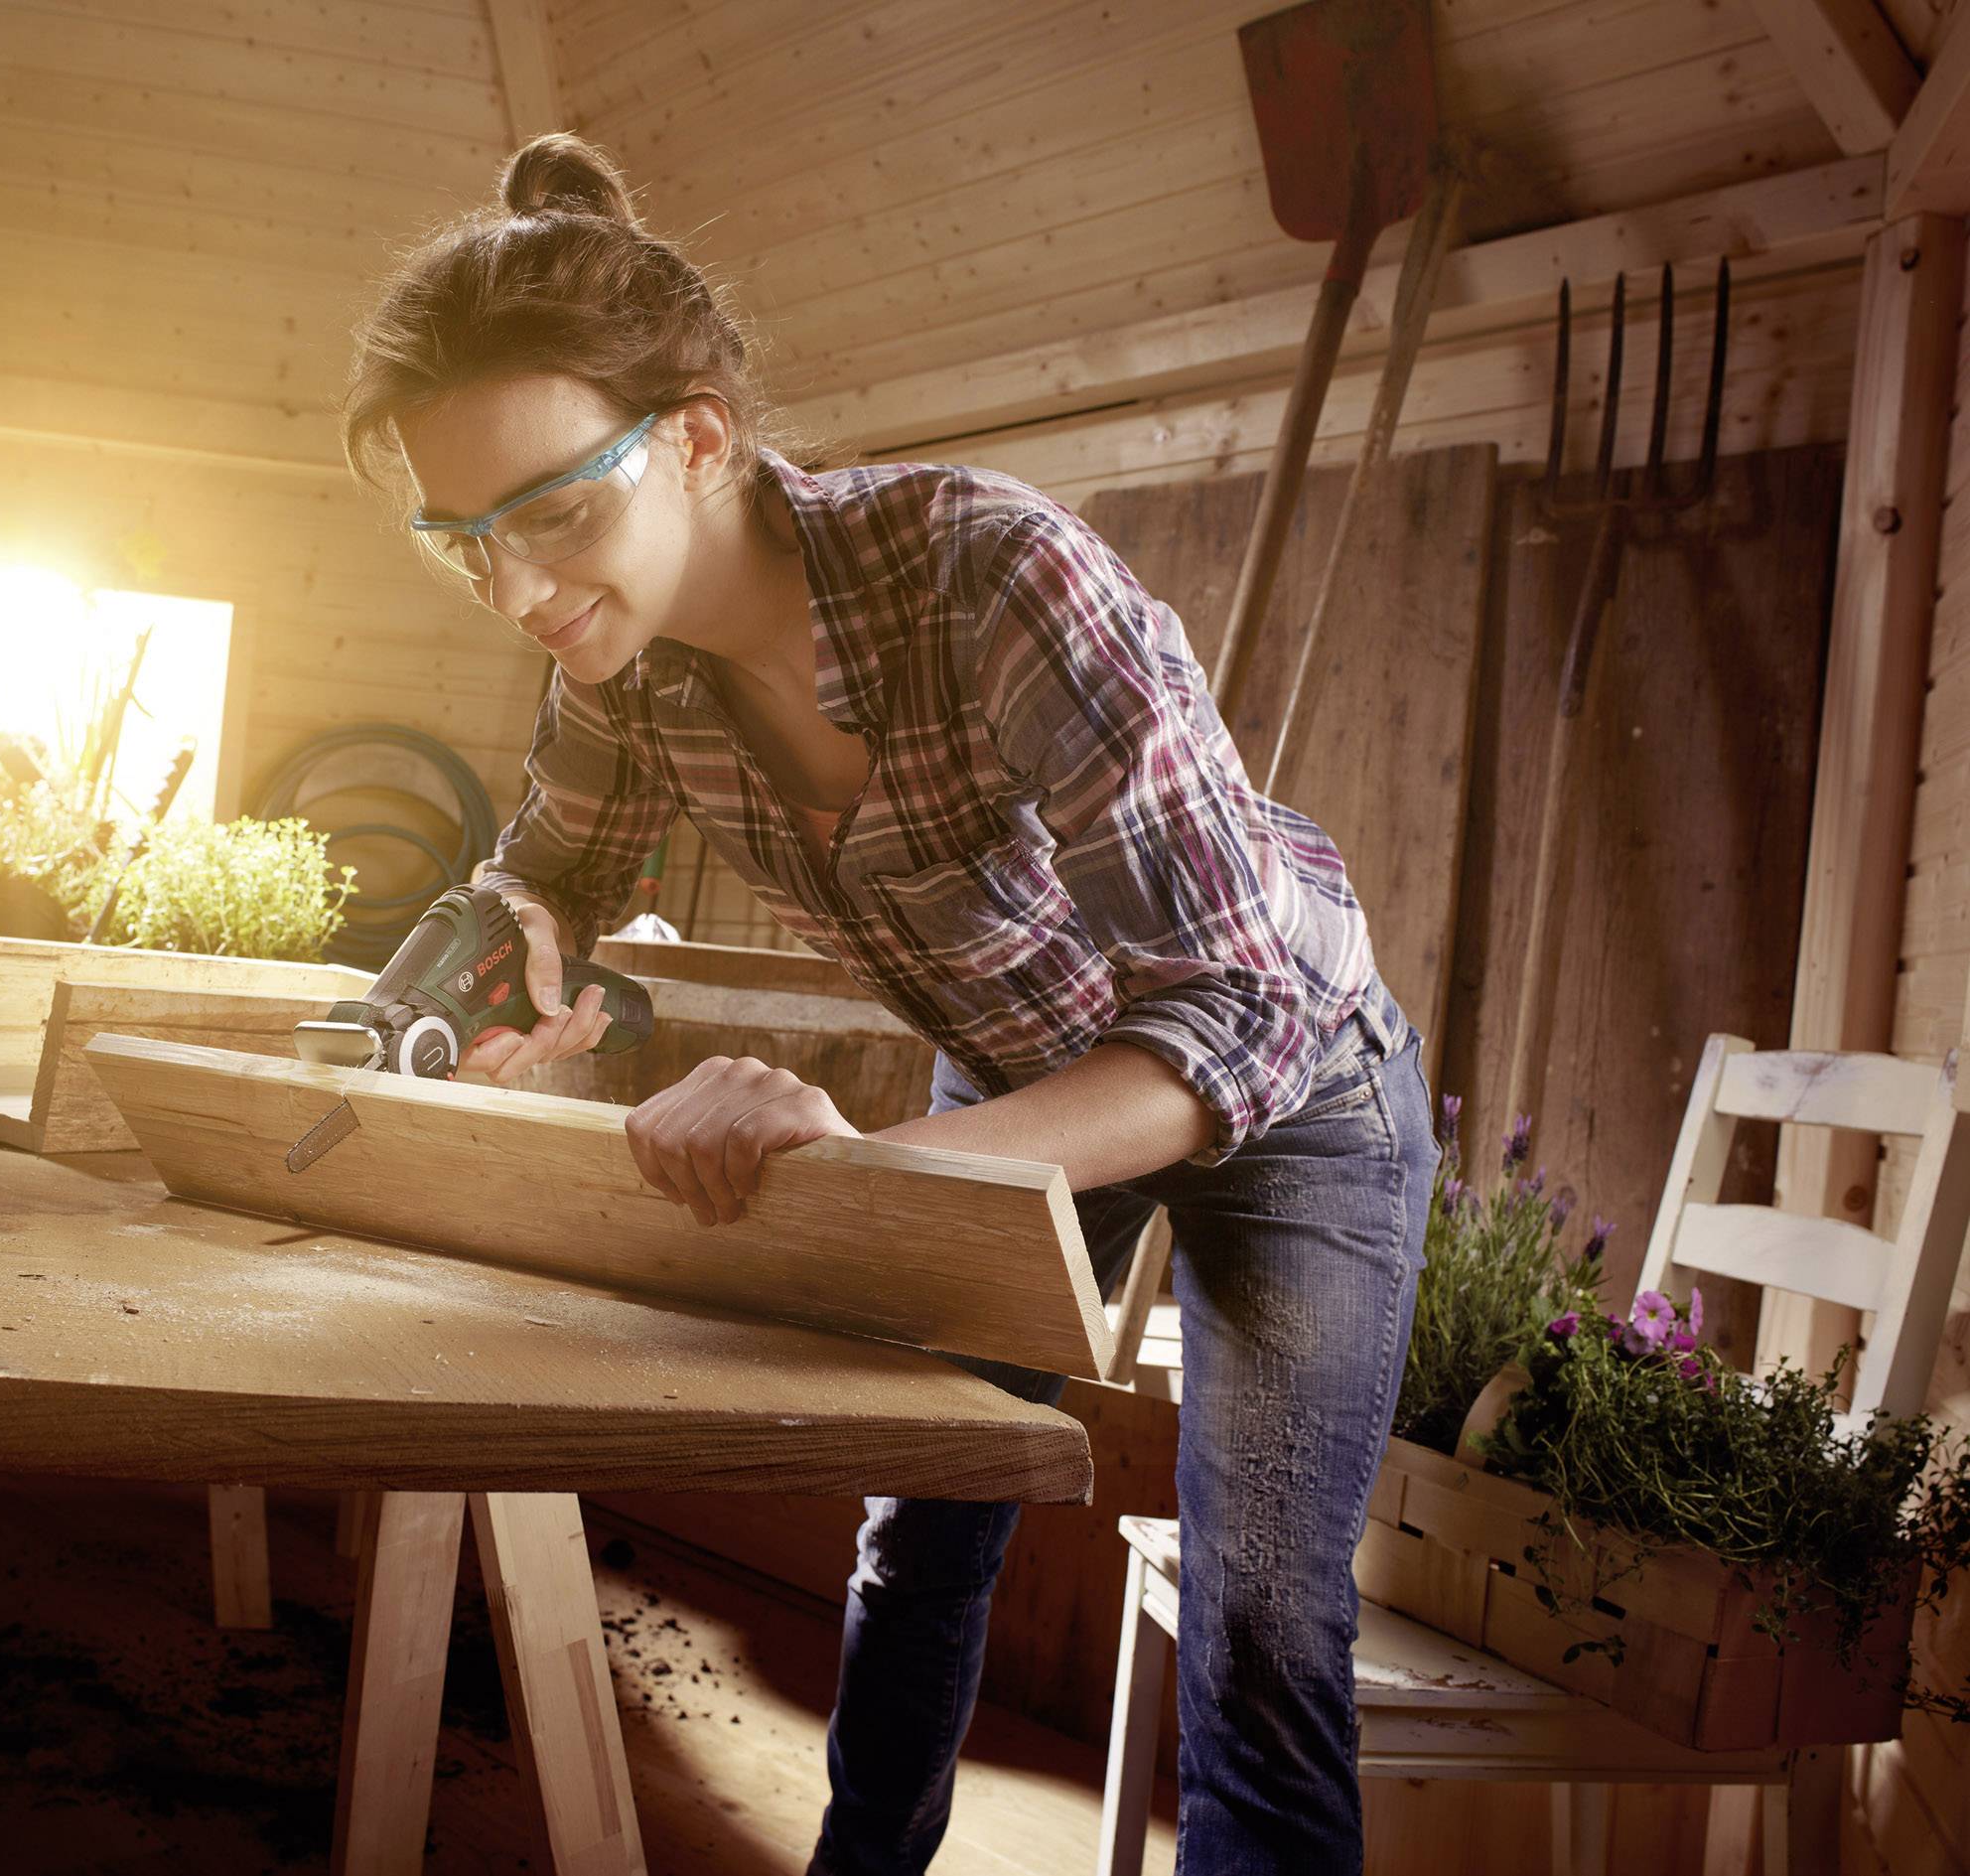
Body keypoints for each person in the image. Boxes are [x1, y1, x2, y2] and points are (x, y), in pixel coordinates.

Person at [342, 131, 1438, 1876]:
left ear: (697, 436)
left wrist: (865, 1167)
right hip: (1023, 1056)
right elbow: (541, 870)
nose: (521, 592)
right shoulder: (621, 675)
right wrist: (501, 955)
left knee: (1261, 1626)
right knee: (923, 1516)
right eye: (461, 540)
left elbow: (1231, 1008)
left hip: (1297, 1087)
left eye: (556, 516)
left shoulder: (990, 577)